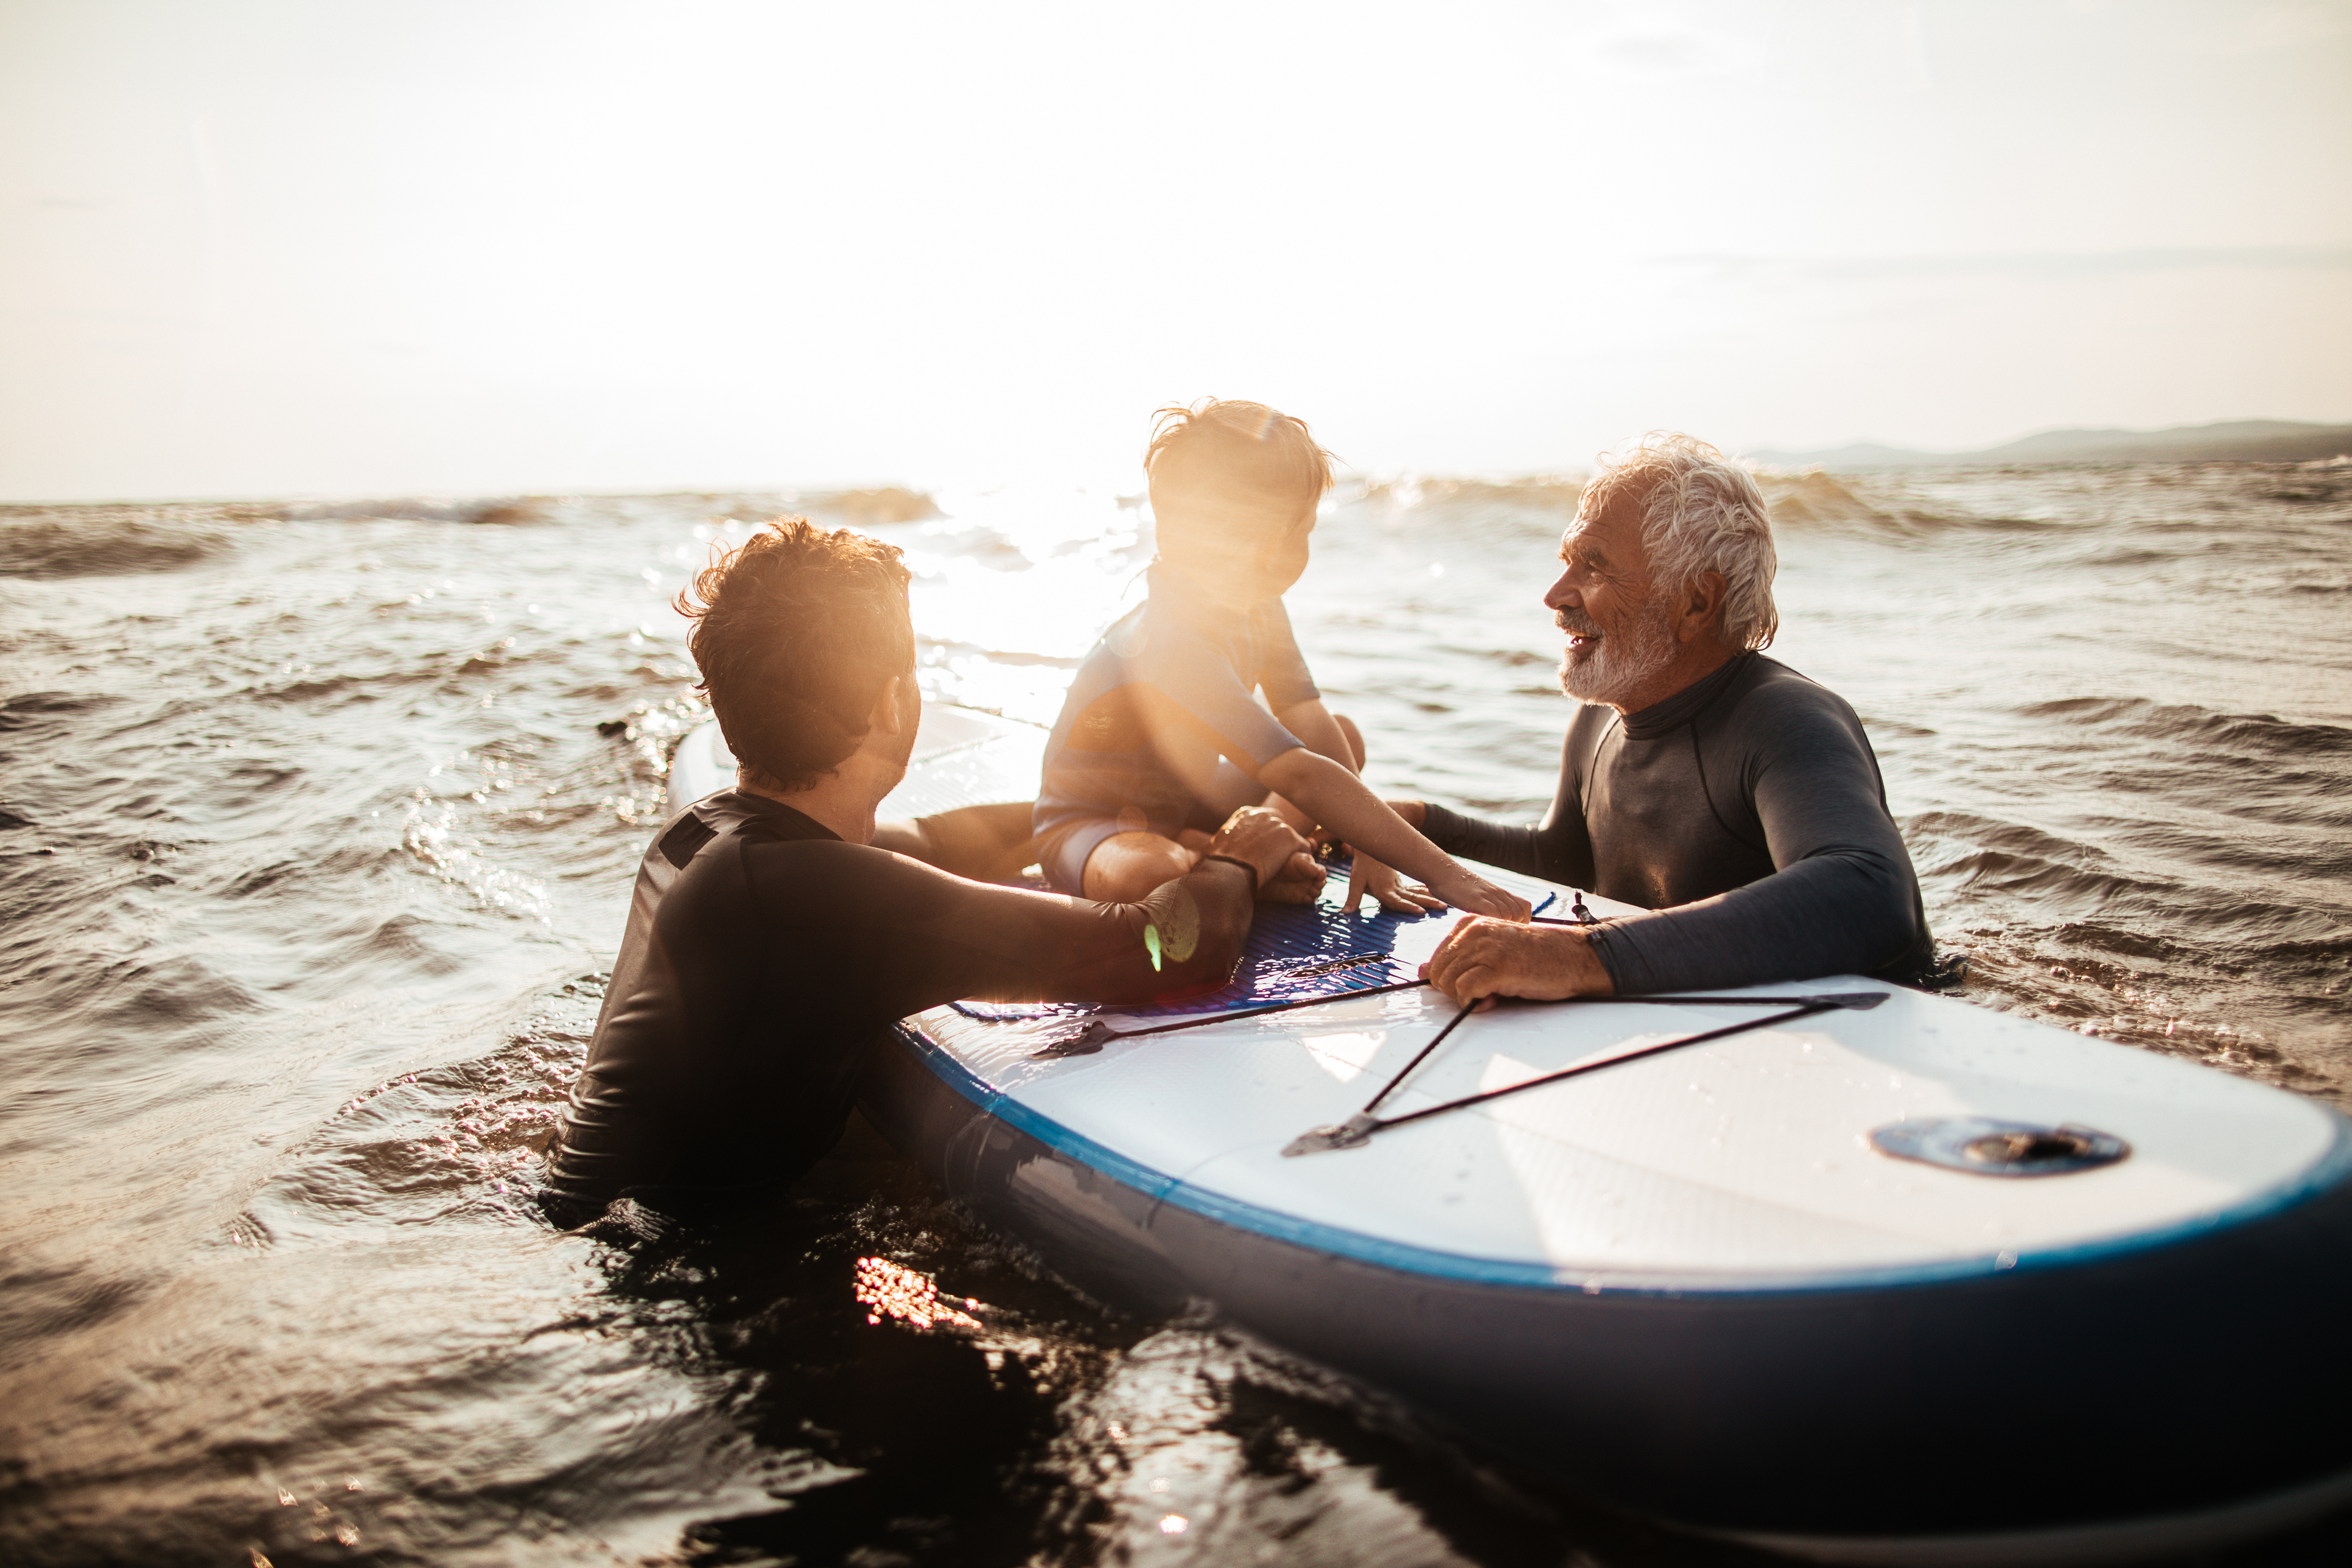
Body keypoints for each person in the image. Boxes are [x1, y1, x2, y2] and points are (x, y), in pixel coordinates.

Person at [544, 518, 1316, 1211]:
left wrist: (1120, 814)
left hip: (606, 1228)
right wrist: (1241, 855)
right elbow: (1170, 946)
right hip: (680, 1279)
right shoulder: (810, 890)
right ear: (891, 703)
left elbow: (942, 842)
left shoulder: (715, 838)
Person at [1409, 432, 1940, 1007]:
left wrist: (1579, 958)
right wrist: (1414, 826)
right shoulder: (1601, 720)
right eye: (1567, 562)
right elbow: (1564, 863)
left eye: (1593, 567)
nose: (1556, 595)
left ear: (1695, 602)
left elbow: (1869, 896)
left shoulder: (1785, 718)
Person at [1032, 399, 1530, 922]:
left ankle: (1237, 850)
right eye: (1304, 530)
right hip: (1093, 827)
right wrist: (1450, 874)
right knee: (1151, 874)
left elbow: (1308, 720)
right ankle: (1243, 858)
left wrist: (1373, 849)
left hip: (1188, 802)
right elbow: (1297, 777)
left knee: (1342, 739)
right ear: (1267, 543)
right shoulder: (1169, 641)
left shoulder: (1260, 607)